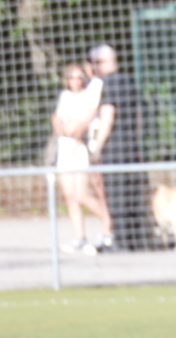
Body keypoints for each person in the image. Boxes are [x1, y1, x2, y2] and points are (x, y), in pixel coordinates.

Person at [87, 45, 153, 252]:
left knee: (116, 196)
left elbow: (107, 117)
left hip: (115, 148)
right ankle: (138, 240)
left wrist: (97, 147)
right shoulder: (129, 81)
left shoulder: (109, 84)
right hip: (132, 146)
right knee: (133, 193)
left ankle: (121, 242)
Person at [51, 63, 112, 255]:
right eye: (72, 77)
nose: (75, 80)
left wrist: (77, 132)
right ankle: (80, 237)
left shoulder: (89, 95)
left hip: (80, 148)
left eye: (79, 77)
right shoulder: (64, 97)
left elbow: (88, 116)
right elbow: (57, 118)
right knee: (70, 196)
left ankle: (109, 224)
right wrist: (62, 130)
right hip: (65, 147)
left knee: (82, 194)